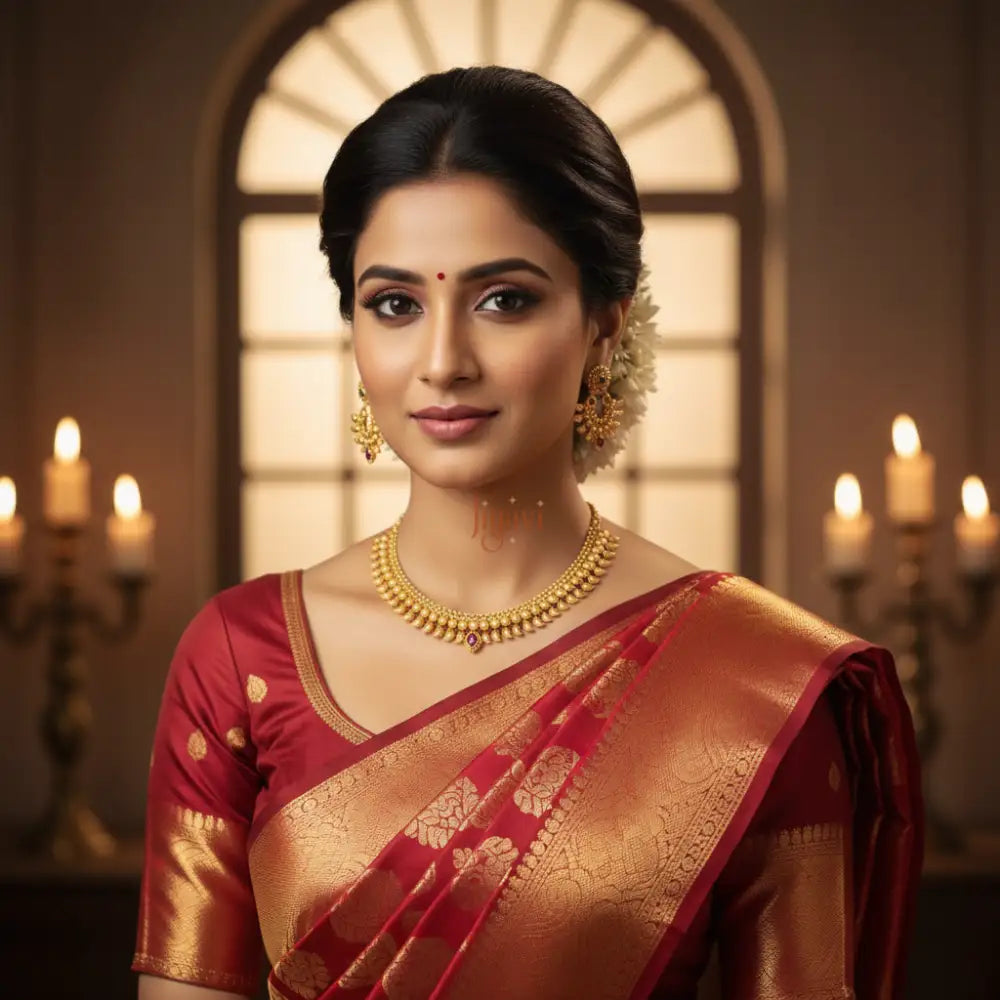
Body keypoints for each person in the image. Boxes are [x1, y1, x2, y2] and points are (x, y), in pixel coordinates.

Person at [133, 65, 922, 1000]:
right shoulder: (242, 657)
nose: (442, 362)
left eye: (503, 299)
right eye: (394, 304)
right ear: (352, 327)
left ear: (604, 324)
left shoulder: (756, 683)